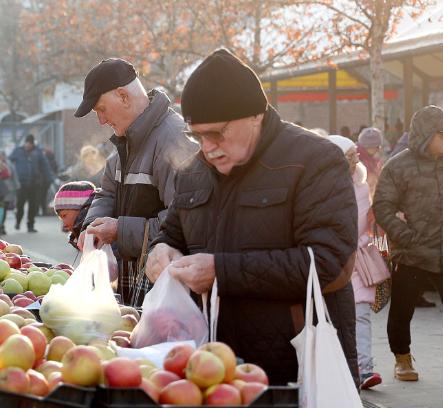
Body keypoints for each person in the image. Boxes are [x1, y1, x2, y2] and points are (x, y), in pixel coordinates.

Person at [144, 49, 359, 386]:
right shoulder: (195, 170)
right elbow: (173, 231)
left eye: (217, 133)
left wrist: (221, 271)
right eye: (198, 135)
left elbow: (328, 261)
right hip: (213, 366)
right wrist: (160, 250)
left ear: (256, 115)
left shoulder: (314, 160)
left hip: (296, 367)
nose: (208, 147)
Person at [75, 58, 196, 305]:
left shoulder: (173, 141)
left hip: (164, 293)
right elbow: (106, 193)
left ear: (123, 96)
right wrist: (91, 226)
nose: (101, 120)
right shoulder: (125, 141)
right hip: (134, 285)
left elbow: (185, 222)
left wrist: (120, 230)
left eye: (101, 109)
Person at [373, 105, 443, 386]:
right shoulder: (398, 166)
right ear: (426, 135)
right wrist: (405, 237)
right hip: (412, 254)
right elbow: (382, 206)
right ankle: (402, 358)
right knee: (403, 308)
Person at [329, 134, 383, 390]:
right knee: (334, 318)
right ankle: (340, 367)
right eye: (348, 156)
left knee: (360, 314)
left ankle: (365, 368)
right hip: (330, 262)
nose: (354, 161)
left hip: (358, 261)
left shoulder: (363, 187)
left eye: (355, 156)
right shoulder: (319, 190)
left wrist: (364, 241)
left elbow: (368, 223)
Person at [9, 134, 53, 232]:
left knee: (33, 205)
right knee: (20, 204)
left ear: (33, 144)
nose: (28, 145)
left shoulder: (38, 152)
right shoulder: (18, 151)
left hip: (34, 183)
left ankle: (30, 225)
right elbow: (9, 162)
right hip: (21, 183)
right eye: (27, 143)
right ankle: (18, 221)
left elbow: (45, 166)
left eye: (30, 144)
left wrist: (49, 178)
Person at [53, 181, 97, 250]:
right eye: (60, 218)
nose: (64, 225)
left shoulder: (100, 236)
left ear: (83, 210)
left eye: (64, 216)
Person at [356, 127, 385, 193]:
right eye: (377, 146)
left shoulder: (372, 159)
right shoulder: (358, 162)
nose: (379, 149)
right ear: (368, 146)